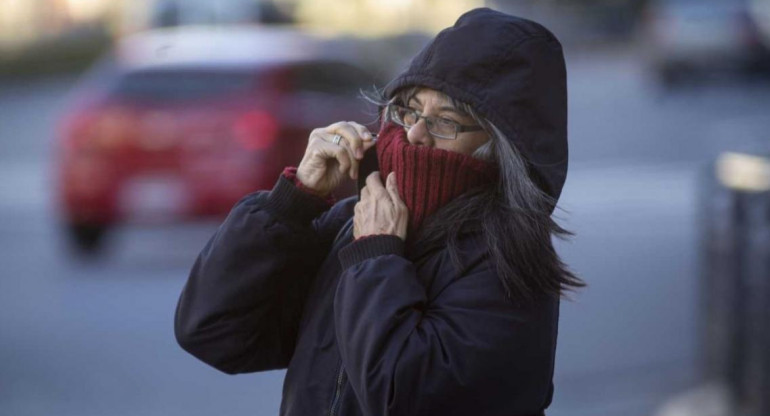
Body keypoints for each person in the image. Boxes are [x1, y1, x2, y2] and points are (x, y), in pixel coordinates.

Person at [175, 7, 584, 416]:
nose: (415, 134)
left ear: (500, 146)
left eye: (446, 121)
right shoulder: (354, 223)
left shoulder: (506, 260)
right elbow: (213, 330)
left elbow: (406, 397)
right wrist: (292, 202)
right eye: (408, 109)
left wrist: (376, 258)